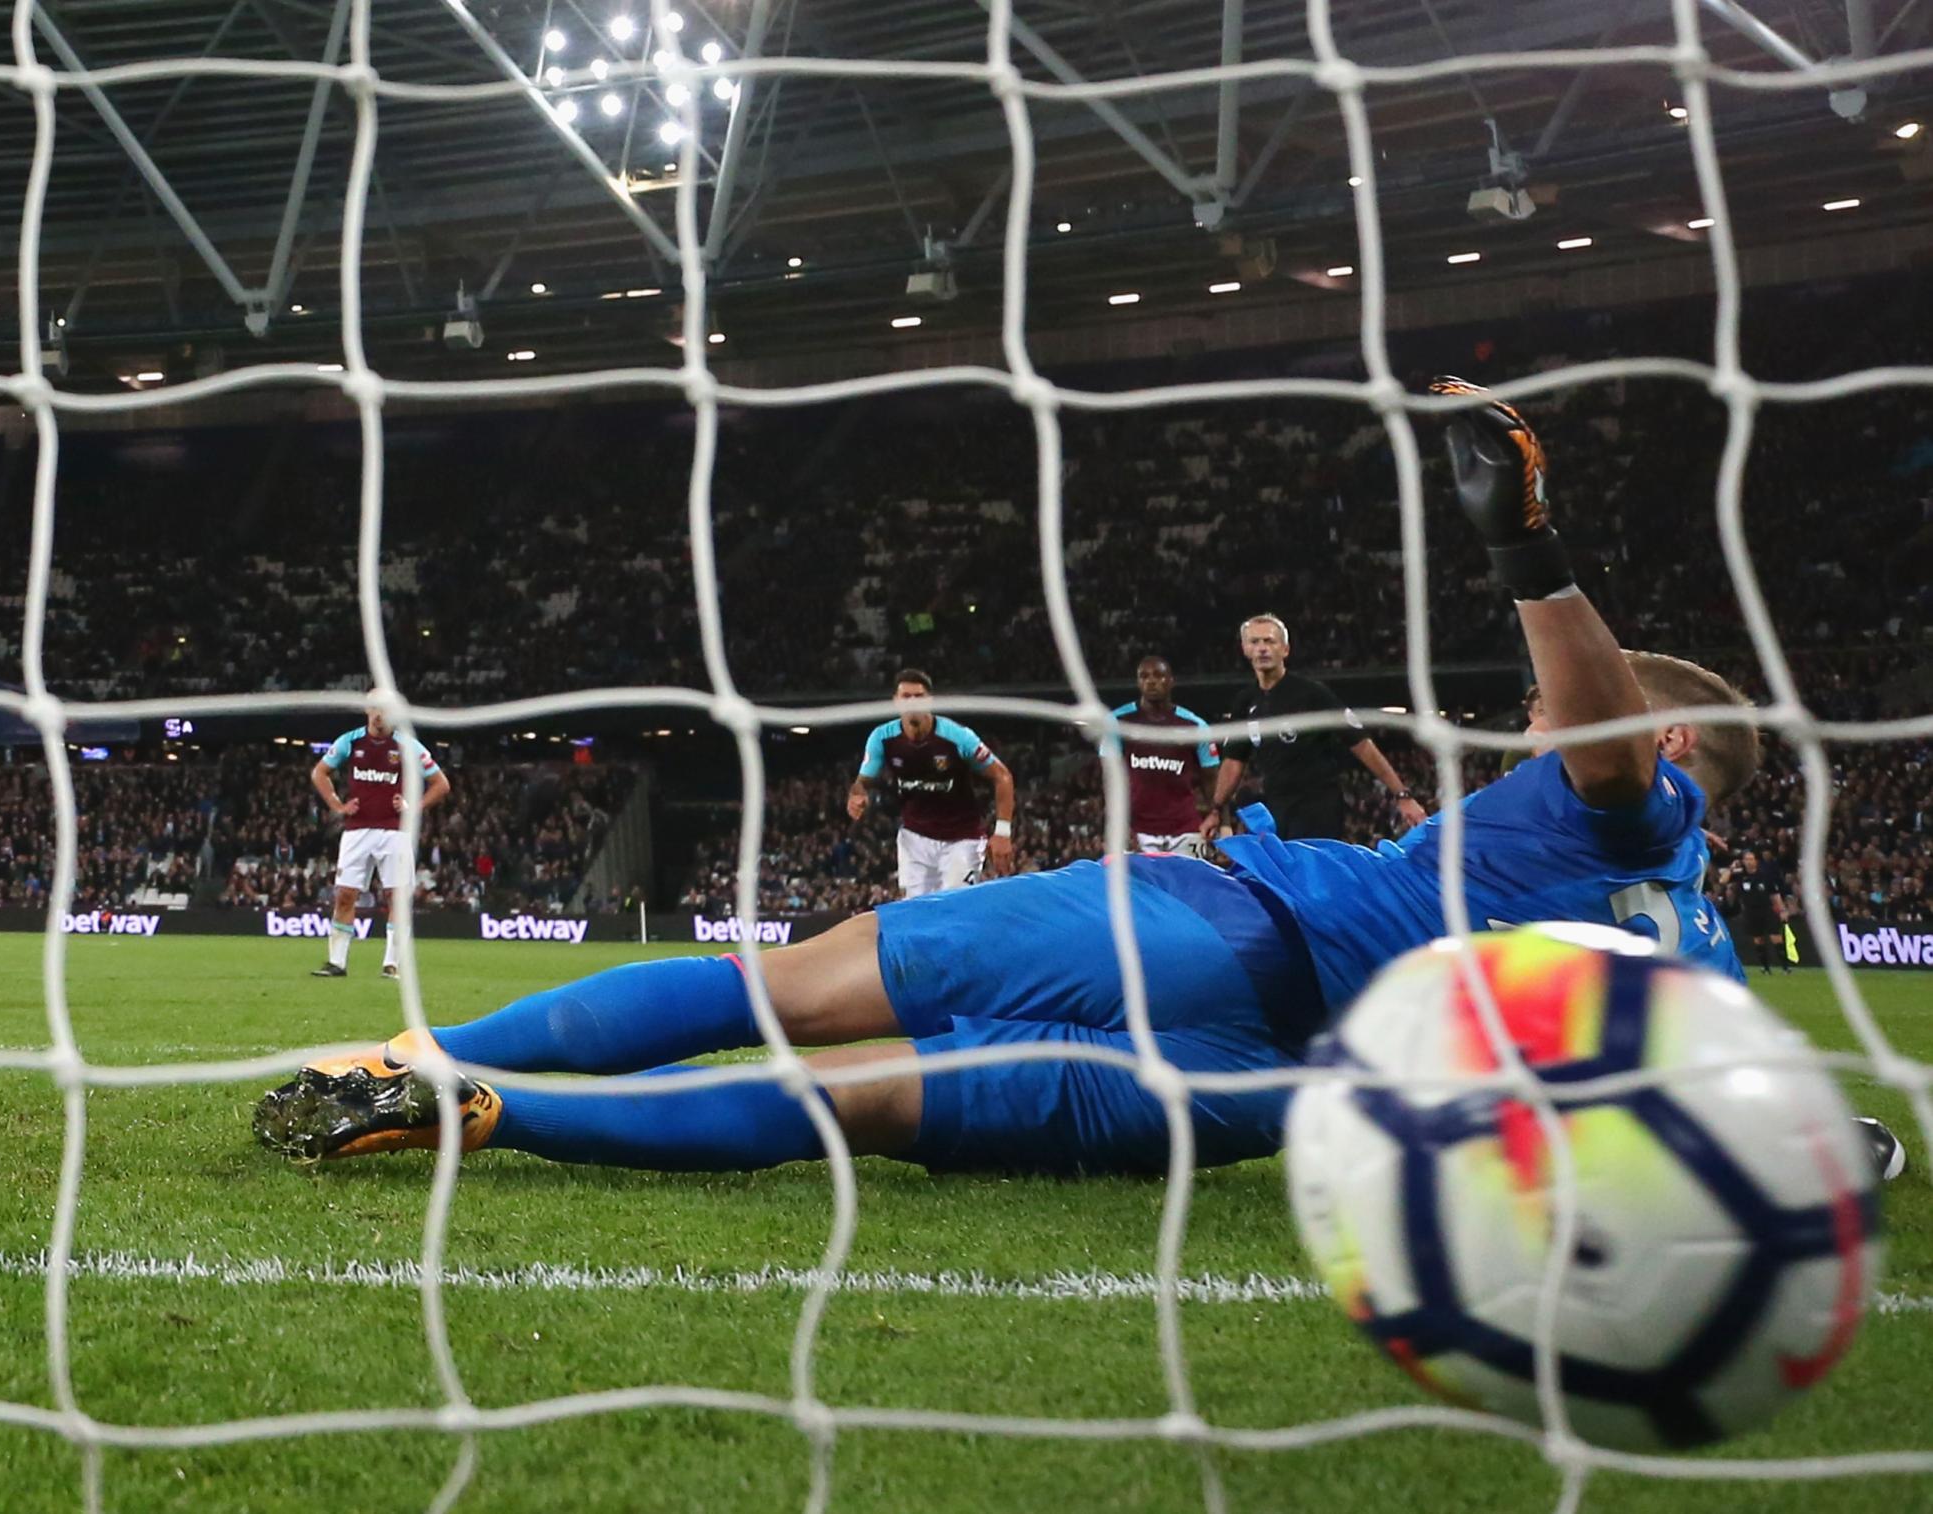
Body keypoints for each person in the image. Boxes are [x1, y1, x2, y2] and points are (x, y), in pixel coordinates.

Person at [253, 378, 1902, 1182]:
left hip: (1201, 932)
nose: (1551, 733)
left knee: (782, 996)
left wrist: (1531, 547)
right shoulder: (1704, 964)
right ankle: (472, 1105)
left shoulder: (1634, 787)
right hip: (1250, 1100)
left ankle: (423, 1054)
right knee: (850, 1110)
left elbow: (1603, 734)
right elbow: (1732, 1116)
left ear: (1675, 744)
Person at [1204, 615, 1427, 843]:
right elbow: (1233, 761)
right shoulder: (1245, 702)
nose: (1262, 649)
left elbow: (1361, 744)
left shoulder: (1312, 694)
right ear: (1245, 649)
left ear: (1285, 649)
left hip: (1318, 805)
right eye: (1255, 642)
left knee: (1312, 874)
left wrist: (1402, 795)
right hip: (1276, 806)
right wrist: (1215, 809)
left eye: (1269, 641)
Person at [306, 707, 450, 980]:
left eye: (385, 709)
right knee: (345, 895)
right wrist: (337, 805)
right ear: (367, 710)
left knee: (396, 898)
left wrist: (413, 807)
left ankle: (391, 965)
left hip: (394, 832)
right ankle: (337, 962)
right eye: (375, 708)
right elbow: (319, 773)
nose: (379, 715)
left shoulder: (407, 745)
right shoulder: (350, 741)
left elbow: (441, 783)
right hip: (356, 831)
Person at [845, 668, 1016, 897]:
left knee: (954, 907)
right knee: (916, 912)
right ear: (895, 702)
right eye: (906, 697)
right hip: (914, 839)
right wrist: (857, 794)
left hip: (962, 838)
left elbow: (1002, 776)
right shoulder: (882, 738)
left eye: (919, 696)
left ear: (930, 700)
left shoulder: (957, 737)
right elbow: (862, 782)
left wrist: (1003, 832)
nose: (913, 702)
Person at [1106, 656, 1217, 857]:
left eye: (1158, 675)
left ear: (1171, 680)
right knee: (1137, 889)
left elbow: (1211, 779)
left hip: (1186, 830)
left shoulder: (1195, 726)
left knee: (1188, 888)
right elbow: (1110, 779)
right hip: (1138, 831)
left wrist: (1219, 818)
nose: (1151, 681)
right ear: (1138, 682)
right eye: (1144, 676)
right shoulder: (1117, 722)